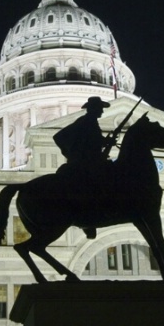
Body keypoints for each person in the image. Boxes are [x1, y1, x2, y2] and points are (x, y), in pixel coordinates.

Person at [54, 96, 114, 239]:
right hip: (84, 162)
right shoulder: (85, 121)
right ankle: (88, 220)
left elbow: (93, 142)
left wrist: (106, 141)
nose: (102, 112)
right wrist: (72, 154)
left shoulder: (92, 122)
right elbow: (59, 137)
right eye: (100, 108)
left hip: (93, 160)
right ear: (93, 109)